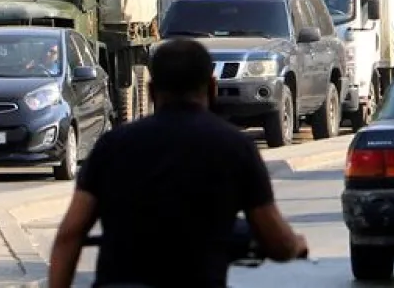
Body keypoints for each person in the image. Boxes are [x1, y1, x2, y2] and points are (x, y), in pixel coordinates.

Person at [47, 38, 308, 288]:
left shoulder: (112, 146)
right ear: (212, 87)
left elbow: (70, 234)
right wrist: (295, 244)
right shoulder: (235, 147)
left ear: (150, 91)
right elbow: (275, 240)